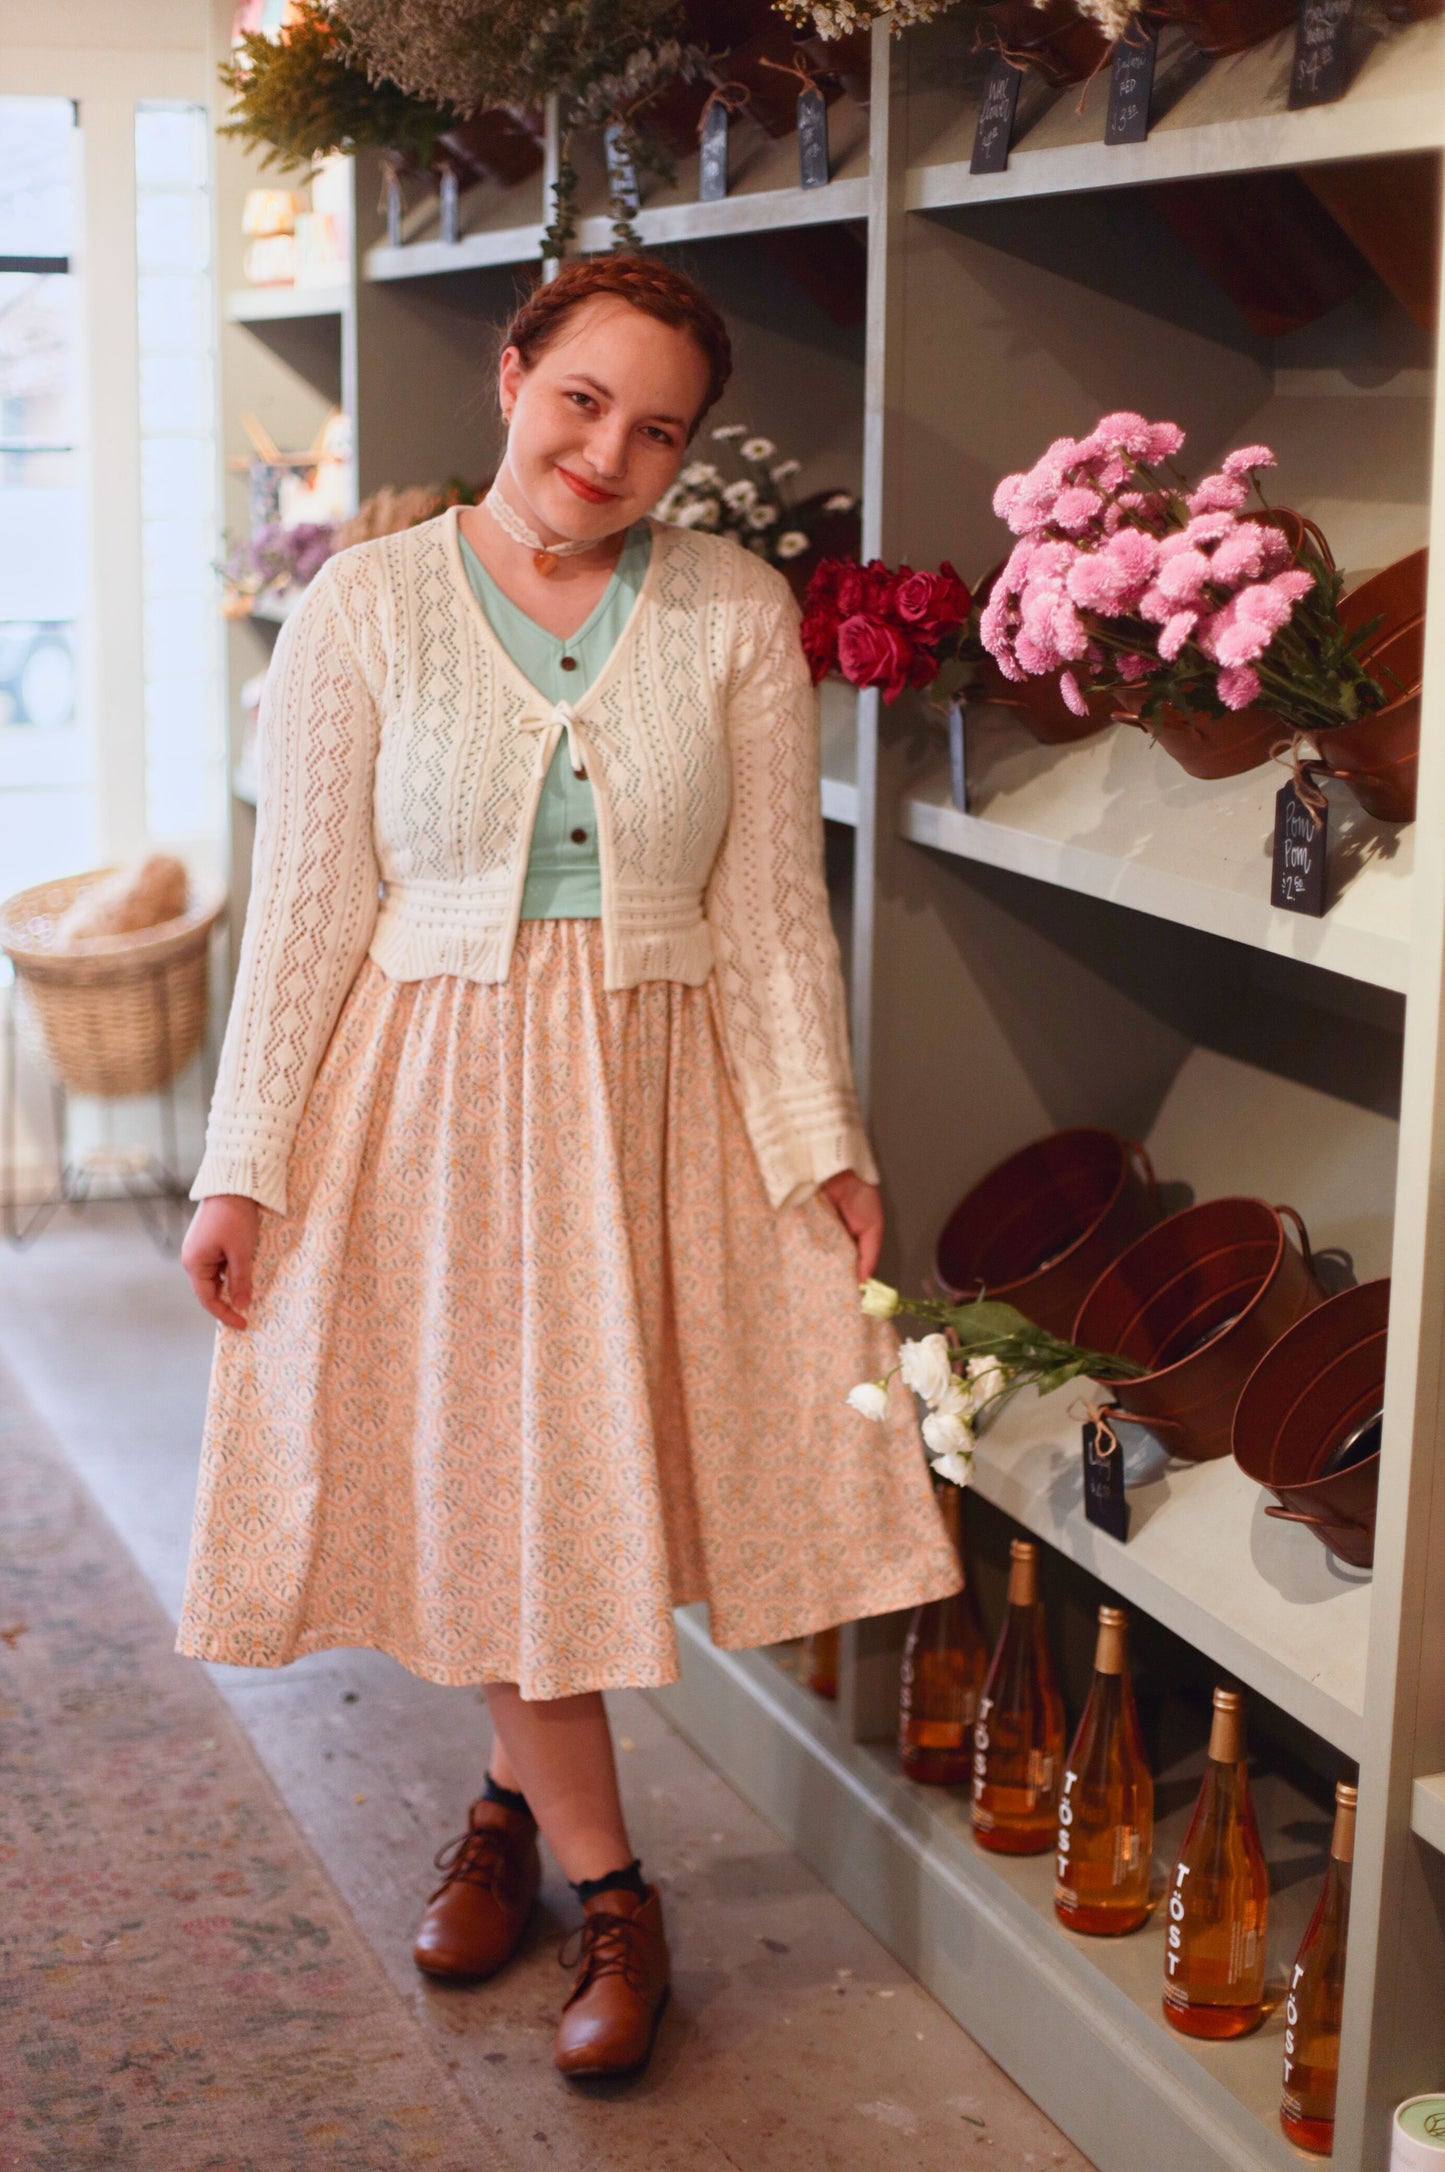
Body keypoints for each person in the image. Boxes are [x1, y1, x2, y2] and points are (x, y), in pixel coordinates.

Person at [179, 253, 961, 2083]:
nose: (607, 452)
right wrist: (243, 1168)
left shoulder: (728, 611)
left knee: (564, 1492)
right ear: (513, 373)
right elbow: (301, 918)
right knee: (487, 1478)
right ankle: (620, 1884)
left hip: (655, 1095)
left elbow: (771, 917)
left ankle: (513, 1818)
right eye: (582, 398)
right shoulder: (362, 610)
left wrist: (820, 1146)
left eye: (658, 430)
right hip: (425, 1095)